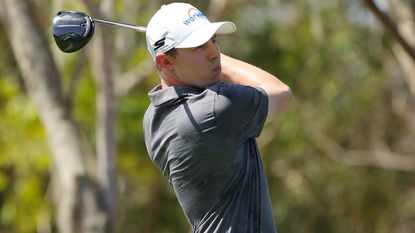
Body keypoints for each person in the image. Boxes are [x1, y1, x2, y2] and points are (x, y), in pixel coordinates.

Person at [143, 2, 292, 233]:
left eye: (214, 40)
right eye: (199, 46)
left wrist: (198, 54)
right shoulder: (216, 107)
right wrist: (224, 64)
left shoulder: (153, 118)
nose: (215, 53)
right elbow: (280, 93)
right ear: (165, 61)